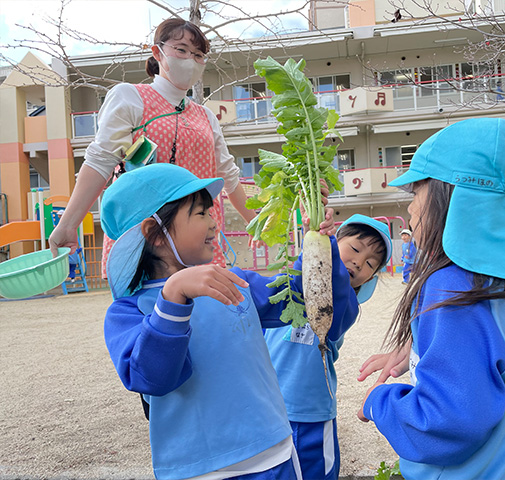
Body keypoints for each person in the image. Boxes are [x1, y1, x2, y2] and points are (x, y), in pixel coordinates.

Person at [100, 163, 346, 480]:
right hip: (199, 469)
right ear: (154, 234)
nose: (214, 223)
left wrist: (318, 239)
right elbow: (153, 378)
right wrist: (173, 296)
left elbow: (300, 295)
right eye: (201, 214)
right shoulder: (127, 312)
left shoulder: (234, 282)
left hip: (273, 453)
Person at [356, 118, 505, 480]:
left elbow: (446, 427)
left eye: (416, 192)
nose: (410, 210)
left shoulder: (452, 287)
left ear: (452, 197)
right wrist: (421, 347)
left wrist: (379, 404)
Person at [49, 18, 258, 274]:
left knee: (203, 310)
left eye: (199, 55)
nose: (190, 59)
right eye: (181, 49)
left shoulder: (206, 117)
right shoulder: (130, 97)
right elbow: (100, 161)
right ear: (157, 52)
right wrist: (68, 224)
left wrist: (254, 222)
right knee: (146, 311)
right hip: (144, 239)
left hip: (196, 240)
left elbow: (228, 175)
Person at [264, 213, 392, 480]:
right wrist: (317, 237)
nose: (358, 261)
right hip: (269, 408)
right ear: (337, 241)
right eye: (355, 249)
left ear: (370, 279)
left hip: (312, 411)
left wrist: (328, 248)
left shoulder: (348, 308)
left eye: (370, 263)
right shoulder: (290, 285)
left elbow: (335, 287)